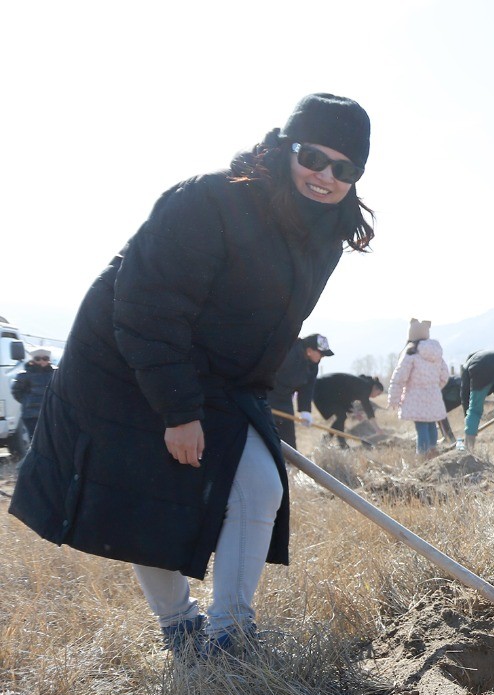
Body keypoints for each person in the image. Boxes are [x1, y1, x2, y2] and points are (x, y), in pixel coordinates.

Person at [9, 92, 374, 657]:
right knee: (149, 494)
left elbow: (274, 323)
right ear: (284, 148)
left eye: (343, 168)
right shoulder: (209, 201)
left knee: (260, 483)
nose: (325, 175)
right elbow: (148, 306)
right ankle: (180, 627)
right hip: (126, 359)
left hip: (215, 373)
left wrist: (245, 398)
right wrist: (179, 412)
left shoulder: (324, 234)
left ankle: (230, 636)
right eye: (312, 156)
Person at [388, 319, 450, 457]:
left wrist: (394, 398)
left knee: (421, 426)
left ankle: (422, 455)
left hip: (415, 396)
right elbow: (445, 375)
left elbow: (400, 377)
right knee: (431, 423)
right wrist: (434, 387)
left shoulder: (411, 353)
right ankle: (433, 451)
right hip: (433, 395)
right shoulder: (437, 353)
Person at [268, 333, 333, 448]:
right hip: (266, 394)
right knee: (268, 433)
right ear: (309, 350)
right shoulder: (289, 351)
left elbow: (307, 388)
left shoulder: (313, 365)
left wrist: (305, 411)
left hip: (285, 399)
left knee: (288, 438)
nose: (322, 357)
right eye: (321, 354)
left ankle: (289, 464)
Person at [313, 372, 384, 446]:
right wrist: (377, 429)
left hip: (325, 389)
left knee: (341, 415)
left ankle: (336, 441)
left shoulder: (362, 384)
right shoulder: (365, 387)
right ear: (375, 388)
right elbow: (368, 409)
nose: (376, 397)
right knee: (341, 415)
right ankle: (338, 442)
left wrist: (355, 411)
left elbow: (346, 397)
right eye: (378, 394)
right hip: (323, 388)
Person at [10, 348, 57, 438]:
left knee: (52, 440)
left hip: (51, 414)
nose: (42, 361)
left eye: (45, 358)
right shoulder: (24, 374)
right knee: (35, 440)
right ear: (33, 360)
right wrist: (27, 401)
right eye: (38, 359)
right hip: (31, 415)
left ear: (49, 360)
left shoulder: (56, 373)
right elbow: (16, 391)